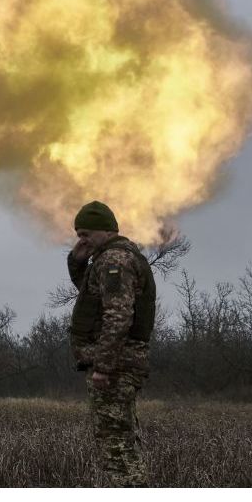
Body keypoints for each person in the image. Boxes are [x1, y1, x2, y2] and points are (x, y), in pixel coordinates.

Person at [67, 200, 157, 486]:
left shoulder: (114, 260)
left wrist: (104, 367)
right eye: (78, 234)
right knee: (120, 439)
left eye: (85, 234)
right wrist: (77, 261)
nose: (82, 239)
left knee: (115, 444)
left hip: (116, 367)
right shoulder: (113, 258)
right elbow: (91, 294)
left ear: (105, 231)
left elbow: (118, 316)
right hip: (122, 363)